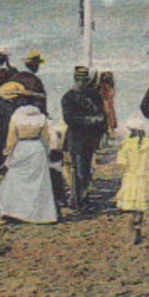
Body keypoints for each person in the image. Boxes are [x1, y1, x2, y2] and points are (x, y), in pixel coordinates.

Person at [0, 100, 59, 224]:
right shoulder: (41, 119)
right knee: (37, 181)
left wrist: (8, 151)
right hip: (36, 147)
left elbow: (12, 138)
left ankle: (14, 211)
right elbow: (45, 138)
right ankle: (37, 213)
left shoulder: (16, 118)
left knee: (16, 179)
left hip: (21, 148)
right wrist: (46, 152)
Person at [114, 115, 149, 244]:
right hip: (145, 177)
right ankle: (138, 226)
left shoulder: (126, 143)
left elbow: (121, 162)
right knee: (141, 204)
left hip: (131, 177)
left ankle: (134, 225)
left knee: (133, 203)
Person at [61, 66, 107, 212]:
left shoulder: (94, 95)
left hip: (90, 138)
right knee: (79, 171)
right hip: (76, 139)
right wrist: (90, 120)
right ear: (76, 78)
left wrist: (102, 130)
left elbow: (102, 115)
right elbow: (69, 119)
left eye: (85, 79)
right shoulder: (69, 97)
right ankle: (79, 201)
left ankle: (83, 199)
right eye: (81, 79)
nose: (83, 82)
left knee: (86, 171)